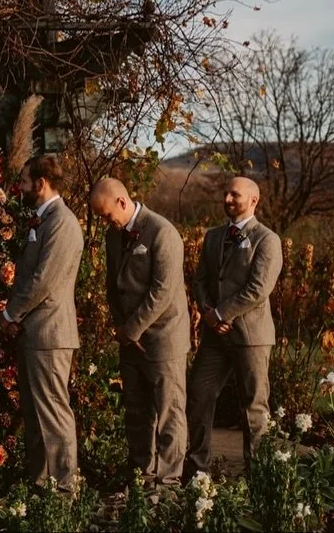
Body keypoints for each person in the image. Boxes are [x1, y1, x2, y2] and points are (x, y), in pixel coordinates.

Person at [90, 177, 190, 488]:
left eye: (107, 215)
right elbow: (112, 284)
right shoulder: (113, 235)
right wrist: (121, 327)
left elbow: (162, 291)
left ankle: (170, 479)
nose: (107, 222)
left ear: (122, 201)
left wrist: (132, 328)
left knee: (169, 411)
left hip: (163, 337)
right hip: (129, 338)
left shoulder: (163, 233)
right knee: (136, 409)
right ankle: (139, 473)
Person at [184, 176, 282, 478]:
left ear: (253, 200)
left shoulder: (267, 239)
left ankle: (258, 476)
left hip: (250, 336)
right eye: (225, 193)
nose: (227, 199)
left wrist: (222, 314)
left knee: (253, 406)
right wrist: (207, 311)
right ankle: (197, 468)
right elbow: (200, 279)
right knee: (198, 394)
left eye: (234, 195)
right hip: (215, 337)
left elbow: (258, 288)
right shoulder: (213, 237)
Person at [0, 155, 83, 492]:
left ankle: (63, 489)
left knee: (53, 414)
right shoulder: (42, 220)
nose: (20, 188)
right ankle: (40, 485)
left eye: (23, 181)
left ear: (41, 183)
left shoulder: (62, 222)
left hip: (50, 333)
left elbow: (43, 280)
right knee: (36, 416)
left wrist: (10, 313)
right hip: (35, 333)